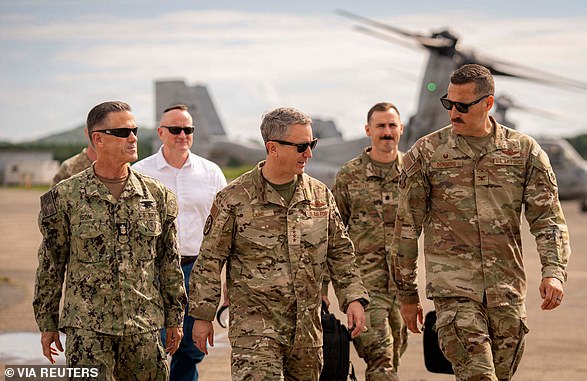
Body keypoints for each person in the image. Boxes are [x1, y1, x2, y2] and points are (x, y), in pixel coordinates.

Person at [392, 64, 571, 380]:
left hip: (507, 292)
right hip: (454, 292)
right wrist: (407, 294)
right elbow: (407, 227)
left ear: (488, 103)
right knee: (478, 375)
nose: (453, 113)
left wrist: (554, 272)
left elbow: (548, 220)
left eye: (463, 106)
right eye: (449, 104)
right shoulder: (427, 153)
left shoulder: (524, 152)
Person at [189, 107, 370, 380]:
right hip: (256, 329)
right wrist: (202, 315)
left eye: (312, 144)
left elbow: (340, 252)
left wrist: (353, 298)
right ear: (272, 148)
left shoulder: (320, 195)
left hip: (307, 330)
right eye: (301, 146)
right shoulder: (234, 198)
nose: (309, 153)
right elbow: (210, 260)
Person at [33, 101, 187, 380]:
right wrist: (47, 323)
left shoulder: (156, 195)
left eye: (135, 131)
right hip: (88, 330)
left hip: (144, 327)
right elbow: (51, 265)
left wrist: (175, 319)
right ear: (98, 139)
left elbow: (168, 261)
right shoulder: (66, 196)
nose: (132, 138)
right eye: (123, 132)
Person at [132, 104, 227, 381]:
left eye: (188, 129)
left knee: (190, 347)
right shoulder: (140, 172)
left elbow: (224, 228)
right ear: (161, 132)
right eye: (175, 129)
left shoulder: (211, 173)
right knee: (153, 344)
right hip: (154, 271)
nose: (182, 134)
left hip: (197, 269)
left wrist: (224, 276)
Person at [328, 102, 408, 380]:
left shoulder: (414, 173)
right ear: (368, 130)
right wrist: (323, 288)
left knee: (393, 358)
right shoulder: (350, 175)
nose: (387, 132)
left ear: (401, 129)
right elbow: (333, 235)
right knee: (381, 361)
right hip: (363, 288)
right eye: (380, 126)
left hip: (402, 288)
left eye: (392, 125)